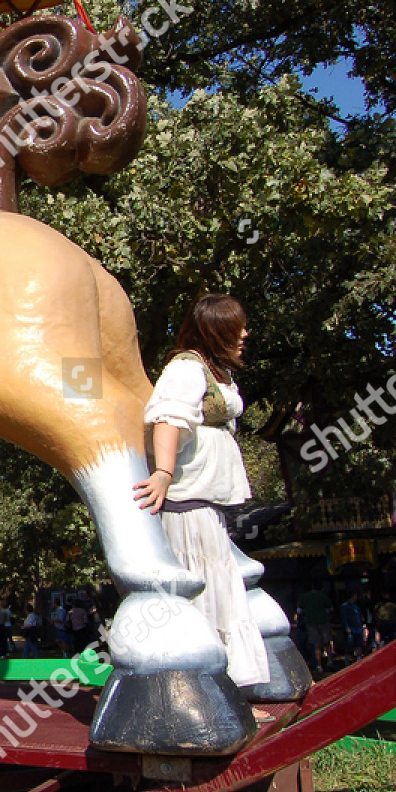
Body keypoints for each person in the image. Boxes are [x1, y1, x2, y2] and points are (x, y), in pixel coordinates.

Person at [134, 292, 270, 690]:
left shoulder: (213, 372)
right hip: (188, 504)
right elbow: (167, 418)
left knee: (219, 587)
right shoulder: (186, 370)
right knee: (204, 591)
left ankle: (221, 690)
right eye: (235, 326)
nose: (244, 333)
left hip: (207, 502)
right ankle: (208, 691)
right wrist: (162, 472)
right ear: (216, 330)